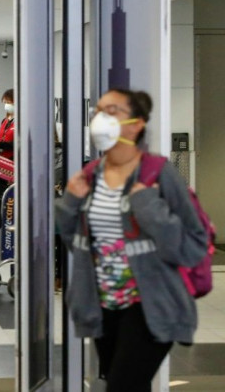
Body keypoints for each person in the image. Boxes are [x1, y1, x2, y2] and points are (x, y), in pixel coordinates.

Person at [55, 89, 207, 391]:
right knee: (125, 383)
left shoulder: (158, 173)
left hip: (150, 305)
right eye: (99, 110)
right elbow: (78, 243)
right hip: (104, 305)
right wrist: (71, 201)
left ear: (136, 124)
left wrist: (148, 207)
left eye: (112, 111)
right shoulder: (91, 174)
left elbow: (193, 243)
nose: (100, 119)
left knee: (122, 386)